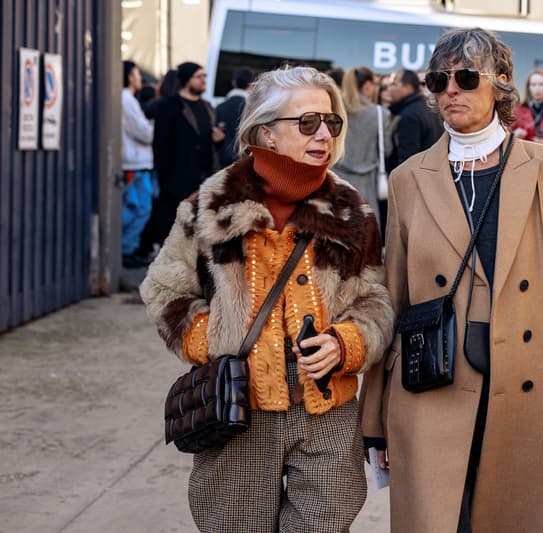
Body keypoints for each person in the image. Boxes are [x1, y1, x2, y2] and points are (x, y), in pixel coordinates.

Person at [360, 27, 543, 532]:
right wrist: (374, 422)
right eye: (439, 79)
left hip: (527, 389)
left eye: (466, 77)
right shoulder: (409, 178)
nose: (450, 89)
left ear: (500, 84)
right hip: (431, 387)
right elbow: (393, 299)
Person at [139, 66, 394, 531]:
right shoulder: (209, 206)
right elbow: (164, 291)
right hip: (241, 411)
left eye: (331, 122)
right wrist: (218, 341)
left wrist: (345, 344)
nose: (323, 134)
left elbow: (375, 299)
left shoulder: (352, 211)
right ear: (267, 133)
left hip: (326, 411)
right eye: (307, 122)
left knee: (323, 521)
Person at [140, 62, 224, 258]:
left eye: (204, 76)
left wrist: (217, 139)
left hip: (204, 177)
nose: (204, 81)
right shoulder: (170, 107)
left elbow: (209, 141)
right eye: (199, 76)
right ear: (187, 80)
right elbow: (160, 144)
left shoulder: (207, 107)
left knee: (199, 227)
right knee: (173, 227)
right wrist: (165, 178)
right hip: (177, 178)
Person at [332, 66, 394, 217]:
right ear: (367, 86)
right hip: (365, 184)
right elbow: (386, 149)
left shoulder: (335, 109)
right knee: (365, 229)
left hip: (334, 178)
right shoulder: (380, 114)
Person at [120, 60, 156, 269]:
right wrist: (156, 132)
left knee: (136, 207)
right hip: (135, 162)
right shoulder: (127, 100)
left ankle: (126, 248)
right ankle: (124, 249)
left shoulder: (128, 99)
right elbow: (142, 132)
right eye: (135, 73)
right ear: (128, 76)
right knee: (139, 208)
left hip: (136, 161)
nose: (139, 78)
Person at [388, 68, 444, 167]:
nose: (389, 89)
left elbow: (407, 159)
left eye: (394, 84)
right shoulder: (427, 108)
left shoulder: (409, 116)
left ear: (408, 87)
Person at [216, 66, 254, 168]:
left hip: (223, 162)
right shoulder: (253, 109)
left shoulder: (220, 107)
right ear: (251, 85)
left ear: (234, 83)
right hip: (246, 162)